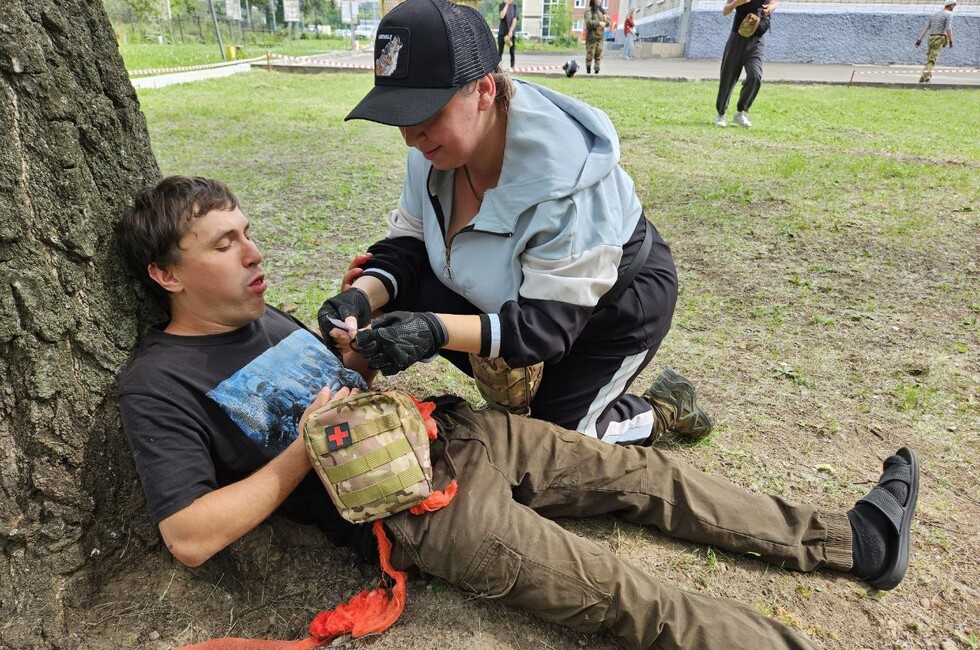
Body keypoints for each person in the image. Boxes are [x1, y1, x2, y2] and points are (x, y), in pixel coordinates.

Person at [117, 174, 920, 650]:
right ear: (166, 275)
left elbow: (339, 386)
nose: (254, 253)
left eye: (247, 233)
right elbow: (190, 538)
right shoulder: (160, 383)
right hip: (422, 513)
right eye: (224, 245)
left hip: (457, 432)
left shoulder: (265, 318)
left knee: (645, 476)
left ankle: (857, 540)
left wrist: (365, 348)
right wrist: (304, 446)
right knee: (622, 593)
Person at [321, 0, 708, 447]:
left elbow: (545, 326)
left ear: (485, 90)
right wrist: (361, 296)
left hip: (612, 307)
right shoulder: (436, 150)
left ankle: (661, 411)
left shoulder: (565, 180)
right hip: (517, 299)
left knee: (557, 442)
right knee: (396, 295)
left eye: (426, 114)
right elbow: (409, 246)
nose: (411, 137)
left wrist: (433, 330)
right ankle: (499, 394)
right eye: (400, 116)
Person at [714, 0, 777, 128]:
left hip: (757, 41)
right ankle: (721, 113)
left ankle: (741, 112)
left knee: (755, 75)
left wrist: (771, 8)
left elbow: (774, 3)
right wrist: (736, 3)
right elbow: (725, 11)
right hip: (737, 38)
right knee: (728, 77)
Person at [916, 0, 956, 83]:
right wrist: (950, 41)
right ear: (950, 5)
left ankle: (927, 78)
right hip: (939, 38)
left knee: (929, 59)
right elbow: (948, 29)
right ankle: (923, 78)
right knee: (932, 60)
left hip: (931, 38)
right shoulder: (948, 14)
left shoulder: (934, 15)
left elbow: (926, 28)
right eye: (954, 4)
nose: (955, 6)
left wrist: (919, 40)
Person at [584, 0, 608, 74]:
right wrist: (599, 23)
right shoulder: (589, 11)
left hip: (600, 37)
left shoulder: (602, 11)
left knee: (598, 54)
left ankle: (596, 72)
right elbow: (588, 23)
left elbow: (608, 22)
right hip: (592, 37)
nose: (600, 1)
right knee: (590, 55)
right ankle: (588, 72)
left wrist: (606, 22)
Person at [498, 0, 518, 69]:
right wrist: (507, 5)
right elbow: (502, 16)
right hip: (502, 32)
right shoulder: (501, 5)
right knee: (500, 51)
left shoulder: (514, 6)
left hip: (511, 32)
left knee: (512, 51)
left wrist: (511, 31)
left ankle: (512, 66)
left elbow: (515, 19)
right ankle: (498, 67)